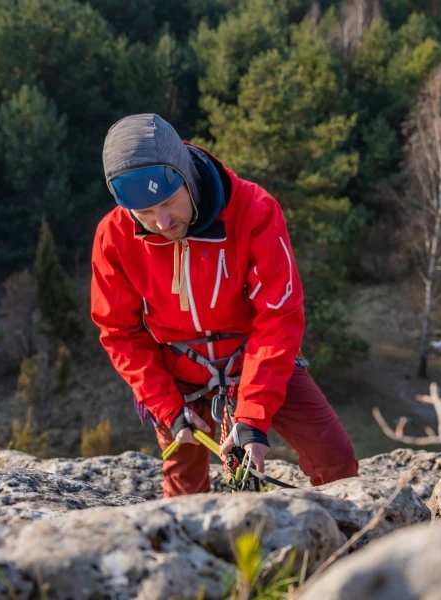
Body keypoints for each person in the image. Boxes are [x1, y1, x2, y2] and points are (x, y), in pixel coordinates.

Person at [91, 113, 358, 496]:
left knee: (336, 459)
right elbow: (119, 331)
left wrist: (253, 414)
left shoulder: (253, 210)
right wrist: (167, 407)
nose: (162, 223)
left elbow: (278, 316)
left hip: (254, 358)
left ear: (187, 176)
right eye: (144, 213)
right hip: (177, 377)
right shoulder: (114, 236)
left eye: (168, 202)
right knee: (184, 495)